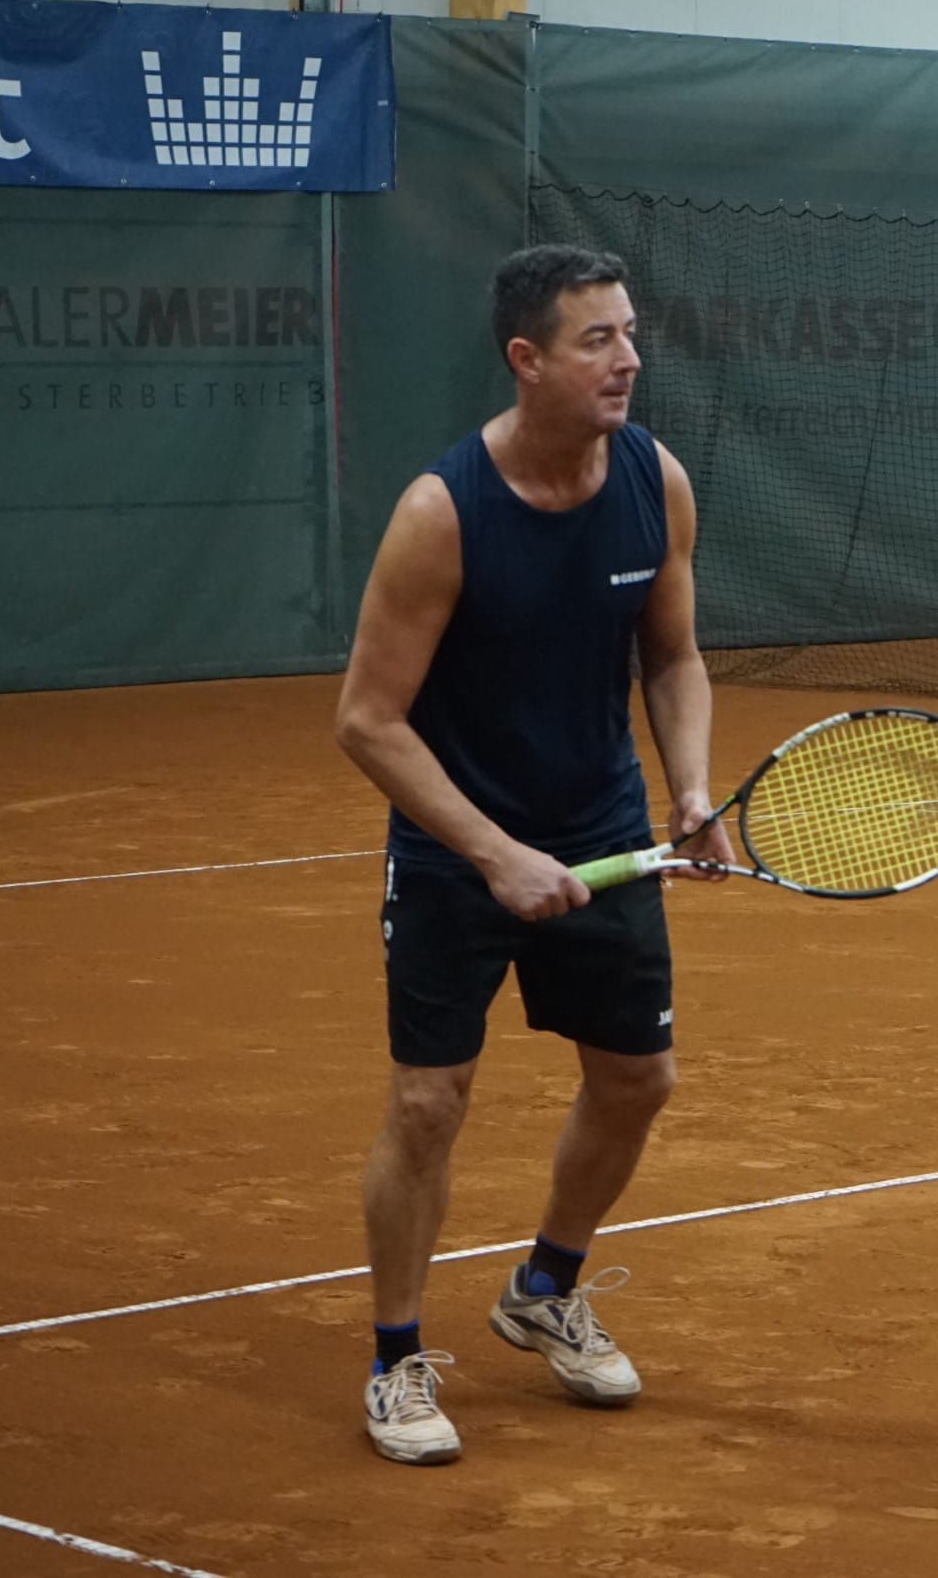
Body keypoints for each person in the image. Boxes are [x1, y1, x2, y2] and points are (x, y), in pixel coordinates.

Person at [333, 245, 733, 1465]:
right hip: (457, 844)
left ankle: (545, 1285)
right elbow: (368, 719)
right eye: (597, 339)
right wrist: (495, 851)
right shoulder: (441, 512)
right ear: (527, 358)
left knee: (638, 1079)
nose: (628, 358)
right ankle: (397, 1357)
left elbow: (672, 656)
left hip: (603, 825)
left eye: (629, 333)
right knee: (428, 1100)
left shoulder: (654, 479)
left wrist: (692, 787)